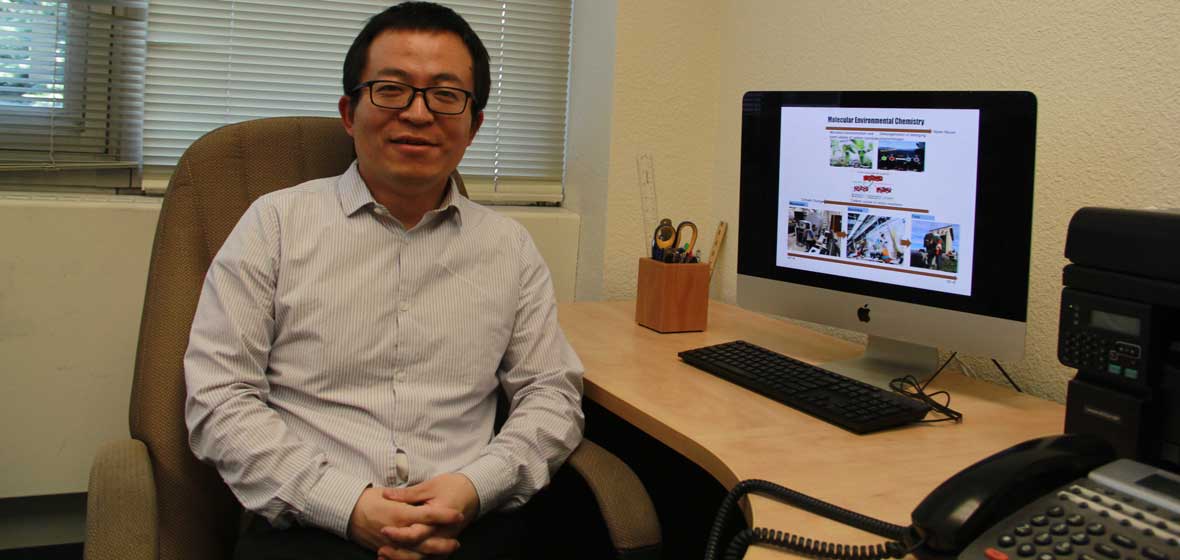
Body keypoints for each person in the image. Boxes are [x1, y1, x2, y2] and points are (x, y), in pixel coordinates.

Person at [182, 3, 585, 560]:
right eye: (391, 89)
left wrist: (475, 488)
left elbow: (551, 394)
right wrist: (347, 505)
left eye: (446, 95)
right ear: (350, 112)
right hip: (308, 529)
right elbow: (219, 396)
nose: (419, 114)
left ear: (474, 124)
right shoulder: (273, 225)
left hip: (468, 528)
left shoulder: (508, 248)